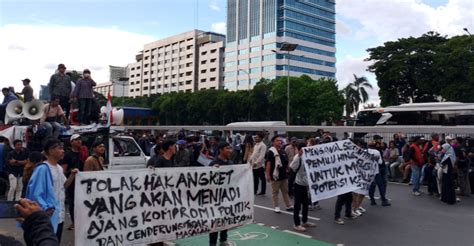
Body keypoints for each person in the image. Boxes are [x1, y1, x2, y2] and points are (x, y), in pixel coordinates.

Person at [26, 139, 74, 243]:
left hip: (59, 214)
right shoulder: (42, 168)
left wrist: (72, 175)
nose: (63, 151)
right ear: (51, 151)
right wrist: (46, 208)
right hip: (47, 215)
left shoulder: (59, 168)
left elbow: (64, 186)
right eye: (60, 148)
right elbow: (35, 193)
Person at [59, 134, 86, 230]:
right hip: (72, 183)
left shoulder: (84, 153)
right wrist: (71, 171)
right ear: (71, 142)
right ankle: (74, 222)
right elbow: (63, 170)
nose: (79, 141)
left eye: (80, 139)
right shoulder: (67, 155)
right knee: (73, 203)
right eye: (76, 140)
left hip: (84, 183)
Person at [208, 142, 233, 246]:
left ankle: (223, 239)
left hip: (227, 196)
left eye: (230, 148)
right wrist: (213, 170)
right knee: (215, 221)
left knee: (225, 219)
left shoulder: (230, 162)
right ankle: (212, 243)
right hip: (215, 197)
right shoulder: (213, 163)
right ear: (221, 150)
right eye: (227, 148)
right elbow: (206, 180)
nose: (230, 150)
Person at [291, 142, 316, 232]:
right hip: (298, 185)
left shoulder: (308, 157)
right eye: (304, 149)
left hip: (306, 185)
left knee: (306, 204)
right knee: (297, 205)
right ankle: (296, 224)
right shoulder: (298, 158)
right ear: (300, 149)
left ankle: (304, 221)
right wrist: (299, 155)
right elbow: (292, 168)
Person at [265, 135, 293, 213]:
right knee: (275, 192)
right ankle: (276, 206)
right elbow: (268, 164)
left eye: (280, 140)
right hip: (275, 175)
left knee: (285, 191)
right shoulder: (271, 152)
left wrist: (288, 169)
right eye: (277, 140)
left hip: (284, 175)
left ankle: (288, 205)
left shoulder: (282, 151)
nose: (279, 142)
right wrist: (268, 175)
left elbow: (286, 162)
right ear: (273, 142)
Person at [368, 141, 391, 206]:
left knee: (372, 185)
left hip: (370, 171)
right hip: (377, 170)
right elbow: (380, 162)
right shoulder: (377, 152)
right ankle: (383, 200)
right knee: (381, 185)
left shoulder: (365, 151)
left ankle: (372, 200)